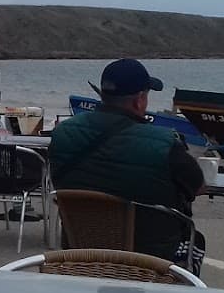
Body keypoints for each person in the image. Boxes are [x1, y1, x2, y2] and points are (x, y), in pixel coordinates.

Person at [49, 59, 205, 268]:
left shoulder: (62, 134)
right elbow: (198, 187)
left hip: (81, 254)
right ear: (139, 100)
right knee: (196, 240)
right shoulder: (164, 143)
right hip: (151, 262)